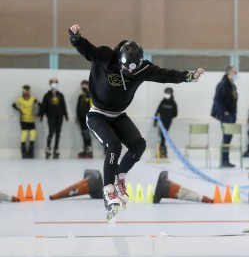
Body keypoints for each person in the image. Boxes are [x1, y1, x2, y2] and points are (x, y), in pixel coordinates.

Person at [68, 23, 204, 220]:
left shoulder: (143, 68)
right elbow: (86, 49)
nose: (129, 72)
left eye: (133, 70)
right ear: (119, 60)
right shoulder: (105, 57)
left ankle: (119, 177)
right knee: (113, 146)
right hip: (97, 114)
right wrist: (75, 38)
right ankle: (108, 190)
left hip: (119, 115)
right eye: (125, 69)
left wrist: (188, 76)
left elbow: (165, 74)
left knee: (138, 145)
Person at [211, 66, 238, 167]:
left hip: (232, 115)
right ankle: (223, 161)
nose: (236, 74)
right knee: (226, 139)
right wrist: (224, 111)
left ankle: (226, 160)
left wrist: (234, 113)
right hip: (225, 115)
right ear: (229, 73)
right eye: (235, 72)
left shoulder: (232, 86)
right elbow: (217, 100)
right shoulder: (222, 84)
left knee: (228, 139)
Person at [40, 78, 68, 159]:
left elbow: (63, 105)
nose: (54, 84)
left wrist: (65, 114)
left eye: (55, 82)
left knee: (58, 133)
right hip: (51, 116)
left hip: (59, 116)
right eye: (53, 83)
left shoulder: (60, 95)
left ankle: (56, 149)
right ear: (50, 84)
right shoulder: (47, 95)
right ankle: (48, 149)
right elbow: (43, 106)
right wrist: (41, 115)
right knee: (51, 132)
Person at [12, 85, 40, 158]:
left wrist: (39, 113)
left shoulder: (33, 99)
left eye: (28, 91)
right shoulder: (20, 100)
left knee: (33, 134)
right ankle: (23, 152)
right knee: (24, 134)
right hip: (23, 120)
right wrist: (19, 110)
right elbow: (13, 105)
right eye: (25, 91)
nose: (26, 93)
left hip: (31, 119)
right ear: (23, 92)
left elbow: (40, 104)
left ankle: (31, 151)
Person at [154, 87, 178, 158]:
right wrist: (155, 121)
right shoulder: (162, 102)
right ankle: (162, 151)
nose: (167, 94)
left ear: (171, 94)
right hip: (161, 122)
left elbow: (175, 113)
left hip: (168, 122)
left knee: (164, 136)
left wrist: (169, 116)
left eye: (168, 93)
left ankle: (163, 151)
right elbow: (157, 111)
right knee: (162, 136)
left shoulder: (173, 103)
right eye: (166, 93)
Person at [76, 80, 93, 158]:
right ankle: (85, 149)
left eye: (85, 85)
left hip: (88, 118)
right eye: (82, 85)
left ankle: (89, 150)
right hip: (81, 118)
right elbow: (78, 107)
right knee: (83, 133)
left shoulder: (90, 95)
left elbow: (92, 106)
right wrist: (77, 117)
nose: (83, 87)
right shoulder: (80, 96)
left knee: (87, 133)